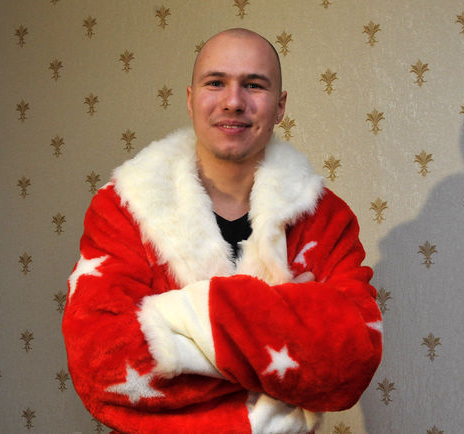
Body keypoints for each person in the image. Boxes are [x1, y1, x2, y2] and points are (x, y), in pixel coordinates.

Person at [62, 28, 383, 433]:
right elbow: (99, 364)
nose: (233, 101)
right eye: (215, 83)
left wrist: (172, 321)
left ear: (280, 106)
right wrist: (284, 315)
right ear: (190, 99)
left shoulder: (325, 216)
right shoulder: (123, 207)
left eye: (254, 85)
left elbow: (353, 360)